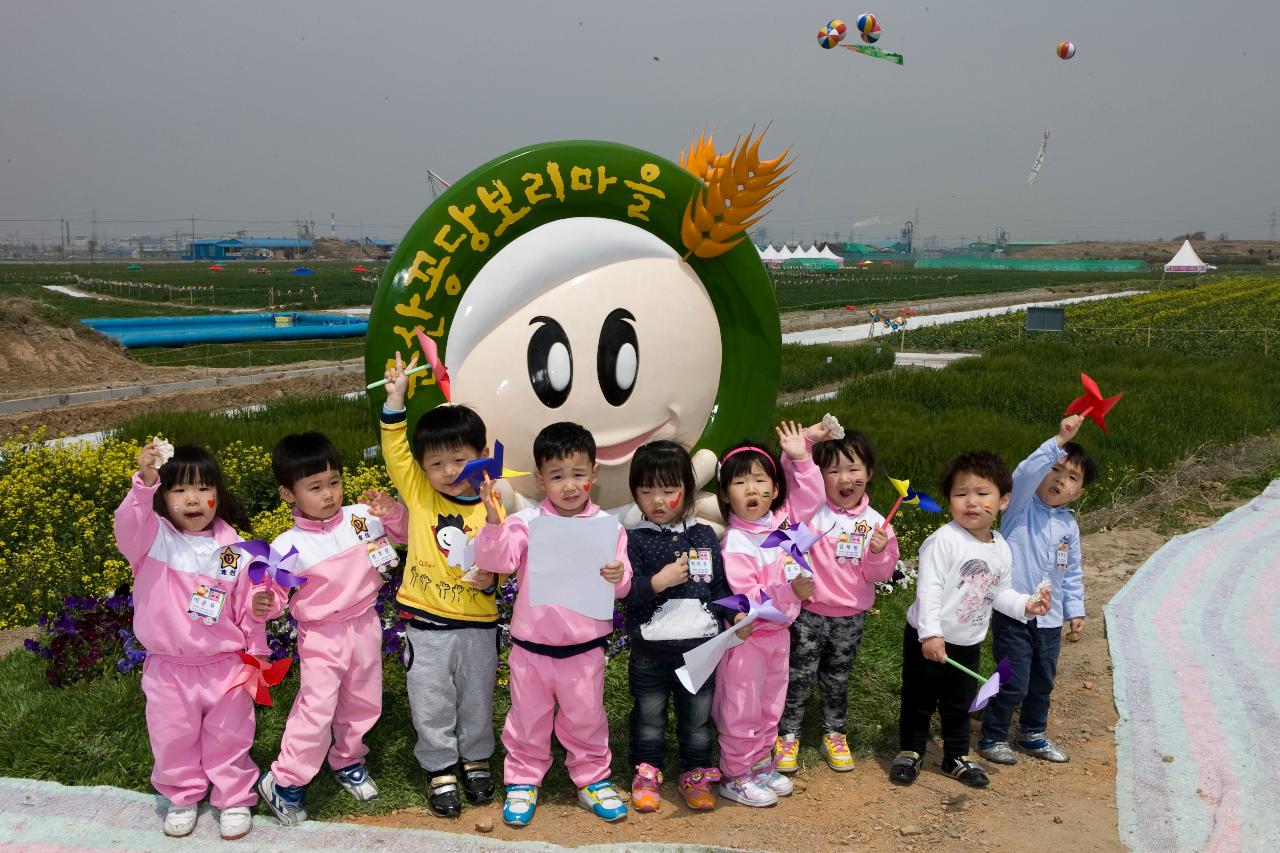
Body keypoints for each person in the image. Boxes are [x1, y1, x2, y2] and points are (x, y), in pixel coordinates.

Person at [113, 442, 280, 840]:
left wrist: (262, 605)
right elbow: (127, 524)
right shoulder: (151, 541)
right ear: (163, 497)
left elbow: (250, 607)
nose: (192, 499)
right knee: (172, 736)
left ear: (217, 495)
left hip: (225, 666)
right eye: (178, 490)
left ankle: (234, 795)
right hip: (169, 669)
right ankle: (183, 795)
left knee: (230, 735)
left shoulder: (235, 549)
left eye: (203, 488)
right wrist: (144, 483)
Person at [474, 421, 632, 827]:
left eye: (578, 474)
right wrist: (494, 522)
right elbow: (498, 562)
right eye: (557, 476)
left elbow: (622, 582)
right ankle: (523, 779)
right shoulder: (525, 523)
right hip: (532, 651)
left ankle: (593, 778)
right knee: (528, 719)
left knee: (587, 718)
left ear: (594, 475)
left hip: (584, 650)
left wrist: (619, 577)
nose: (568, 485)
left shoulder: (608, 529)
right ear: (540, 480)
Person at [256, 432, 409, 826]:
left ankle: (349, 760)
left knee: (364, 700)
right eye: (315, 487)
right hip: (322, 635)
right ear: (288, 494)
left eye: (335, 482)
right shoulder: (288, 544)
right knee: (317, 707)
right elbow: (273, 595)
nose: (329, 495)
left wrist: (390, 511)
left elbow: (404, 534)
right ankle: (285, 781)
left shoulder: (361, 516)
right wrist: (265, 603)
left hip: (365, 624)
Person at [379, 352, 501, 818]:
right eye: (437, 462)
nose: (449, 470)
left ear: (481, 454)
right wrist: (395, 401)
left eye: (460, 459)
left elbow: (502, 555)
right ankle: (440, 766)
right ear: (423, 468)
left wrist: (493, 569)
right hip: (426, 625)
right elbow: (394, 452)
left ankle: (475, 758)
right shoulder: (419, 492)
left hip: (477, 625)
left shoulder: (492, 501)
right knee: (430, 699)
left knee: (477, 696)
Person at [891, 451, 1050, 789]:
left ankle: (955, 757)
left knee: (959, 703)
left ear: (1004, 500)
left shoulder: (1001, 547)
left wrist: (1027, 605)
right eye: (961, 494)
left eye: (982, 494)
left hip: (968, 640)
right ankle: (910, 751)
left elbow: (1000, 593)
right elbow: (929, 590)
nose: (971, 502)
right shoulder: (943, 541)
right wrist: (930, 635)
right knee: (919, 699)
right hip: (927, 638)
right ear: (949, 501)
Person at [712, 422, 825, 807]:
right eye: (740, 483)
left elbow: (811, 499)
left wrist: (800, 457)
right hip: (748, 640)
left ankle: (760, 763)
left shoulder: (782, 525)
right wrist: (789, 589)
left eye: (761, 481)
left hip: (780, 635)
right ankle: (736, 773)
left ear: (776, 489)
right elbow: (748, 596)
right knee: (741, 707)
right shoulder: (737, 541)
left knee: (770, 704)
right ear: (726, 495)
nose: (752, 491)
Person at [776, 425, 899, 774]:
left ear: (869, 473)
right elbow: (790, 470)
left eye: (854, 469)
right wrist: (807, 442)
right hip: (808, 612)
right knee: (798, 675)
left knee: (837, 678)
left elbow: (880, 574)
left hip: (851, 618)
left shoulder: (878, 523)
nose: (845, 478)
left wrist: (877, 552)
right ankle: (788, 734)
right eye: (833, 470)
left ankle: (834, 732)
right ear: (820, 476)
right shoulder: (812, 512)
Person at [621, 440, 735, 813]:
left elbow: (719, 587)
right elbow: (628, 592)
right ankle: (647, 772)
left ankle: (696, 773)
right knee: (649, 717)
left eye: (669, 490)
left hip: (700, 652)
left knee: (698, 720)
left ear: (687, 489)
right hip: (650, 654)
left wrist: (735, 615)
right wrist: (658, 581)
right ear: (635, 492)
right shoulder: (632, 540)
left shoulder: (703, 535)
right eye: (647, 490)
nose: (658, 500)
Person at [979, 414, 1096, 765]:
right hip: (1014, 612)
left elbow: (1071, 572)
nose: (1060, 480)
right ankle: (992, 735)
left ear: (1080, 490)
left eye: (1072, 477)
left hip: (1049, 620)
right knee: (1013, 678)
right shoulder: (1018, 509)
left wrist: (1075, 610)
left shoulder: (1068, 526)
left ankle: (1032, 733)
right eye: (1055, 469)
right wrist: (1058, 441)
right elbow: (1025, 473)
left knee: (1042, 681)